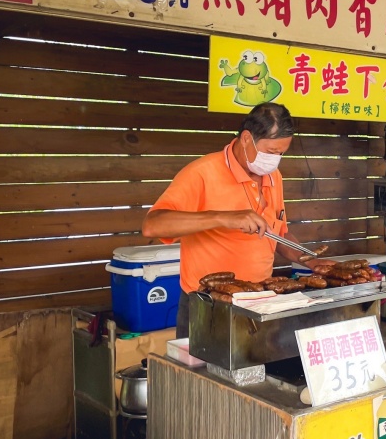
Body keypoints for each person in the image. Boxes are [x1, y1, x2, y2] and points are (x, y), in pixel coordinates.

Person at [142, 103, 333, 338]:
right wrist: (223, 217)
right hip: (209, 304)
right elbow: (153, 225)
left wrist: (310, 261)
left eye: (281, 153)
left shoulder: (273, 176)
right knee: (203, 374)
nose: (276, 160)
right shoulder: (202, 172)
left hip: (260, 301)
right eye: (271, 152)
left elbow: (278, 233)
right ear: (246, 139)